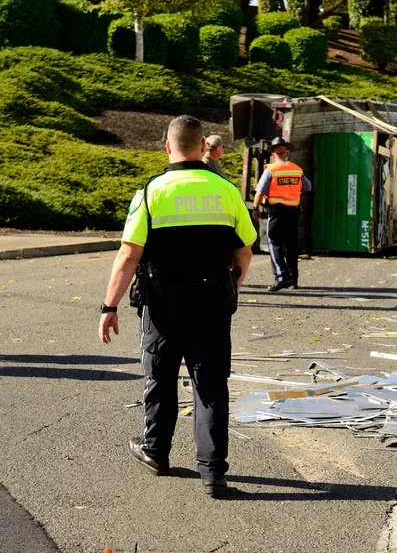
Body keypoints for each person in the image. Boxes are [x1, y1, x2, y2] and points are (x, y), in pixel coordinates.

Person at [98, 115, 256, 498]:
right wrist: (231, 285)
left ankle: (155, 452)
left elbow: (128, 256)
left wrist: (109, 306)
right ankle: (214, 472)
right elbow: (245, 250)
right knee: (211, 384)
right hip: (212, 301)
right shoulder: (225, 190)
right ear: (203, 147)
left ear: (167, 147)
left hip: (164, 304)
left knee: (161, 378)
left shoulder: (151, 192)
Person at [252, 136, 311, 292]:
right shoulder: (297, 169)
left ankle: (281, 278)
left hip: (277, 212)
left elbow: (259, 193)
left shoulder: (271, 170)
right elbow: (308, 187)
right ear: (287, 153)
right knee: (291, 245)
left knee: (275, 243)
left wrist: (255, 208)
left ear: (273, 154)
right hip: (293, 212)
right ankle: (293, 279)